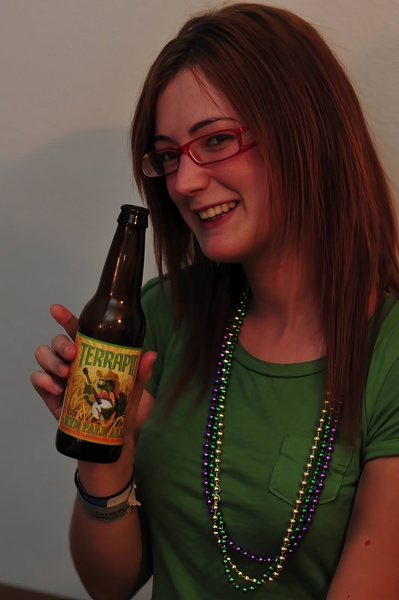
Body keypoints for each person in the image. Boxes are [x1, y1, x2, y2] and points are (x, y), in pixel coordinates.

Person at [31, 3, 399, 599]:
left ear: (309, 131)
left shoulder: (389, 357)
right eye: (170, 155)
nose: (182, 182)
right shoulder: (166, 315)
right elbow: (111, 584)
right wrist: (106, 453)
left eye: (218, 139)